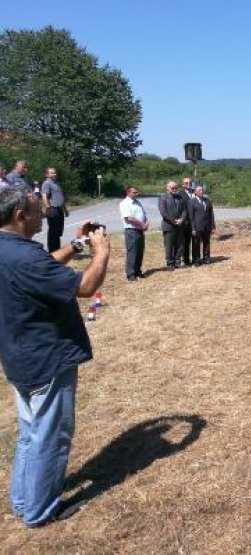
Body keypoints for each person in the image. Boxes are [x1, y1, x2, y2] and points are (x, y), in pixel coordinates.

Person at [0, 185, 110, 527]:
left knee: (31, 433)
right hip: (46, 358)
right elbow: (85, 287)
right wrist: (101, 253)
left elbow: (42, 268)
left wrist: (76, 245)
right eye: (37, 210)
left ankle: (23, 501)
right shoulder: (24, 255)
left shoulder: (10, 249)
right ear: (20, 216)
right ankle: (41, 511)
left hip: (19, 356)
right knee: (51, 436)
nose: (44, 214)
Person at [119, 185, 148, 281]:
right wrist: (141, 224)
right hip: (131, 231)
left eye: (137, 192)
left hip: (139, 230)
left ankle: (138, 271)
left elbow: (143, 214)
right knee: (133, 252)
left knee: (140, 251)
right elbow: (129, 218)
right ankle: (131, 274)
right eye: (134, 192)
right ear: (128, 193)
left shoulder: (137, 202)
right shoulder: (124, 203)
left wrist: (146, 223)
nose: (136, 194)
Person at [158, 181, 186, 269]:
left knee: (180, 245)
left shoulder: (180, 197)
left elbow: (184, 210)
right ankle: (170, 263)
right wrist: (173, 221)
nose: (174, 190)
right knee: (169, 245)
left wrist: (181, 219)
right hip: (169, 226)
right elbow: (163, 212)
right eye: (172, 188)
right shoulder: (163, 198)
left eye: (176, 188)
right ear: (167, 188)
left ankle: (177, 261)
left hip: (179, 225)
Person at [41, 167, 69, 253]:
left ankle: (57, 250)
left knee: (58, 231)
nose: (54, 174)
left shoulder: (56, 183)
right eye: (52, 173)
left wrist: (65, 209)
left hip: (59, 209)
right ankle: (52, 252)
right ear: (47, 174)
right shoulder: (46, 183)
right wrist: (48, 207)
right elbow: (44, 195)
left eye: (55, 173)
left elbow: (61, 197)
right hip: (53, 209)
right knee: (53, 231)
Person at [188, 184, 216, 265]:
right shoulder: (192, 202)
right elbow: (191, 216)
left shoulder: (207, 201)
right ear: (195, 192)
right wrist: (193, 228)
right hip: (197, 227)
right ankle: (196, 259)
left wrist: (213, 226)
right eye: (199, 190)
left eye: (202, 190)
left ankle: (206, 258)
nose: (201, 191)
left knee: (206, 243)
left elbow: (211, 214)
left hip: (207, 226)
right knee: (196, 244)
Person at [179, 177, 194, 265]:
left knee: (195, 241)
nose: (189, 184)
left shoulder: (194, 192)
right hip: (185, 222)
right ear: (183, 185)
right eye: (186, 183)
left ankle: (195, 258)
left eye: (190, 183)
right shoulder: (180, 194)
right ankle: (185, 259)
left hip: (194, 221)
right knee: (185, 242)